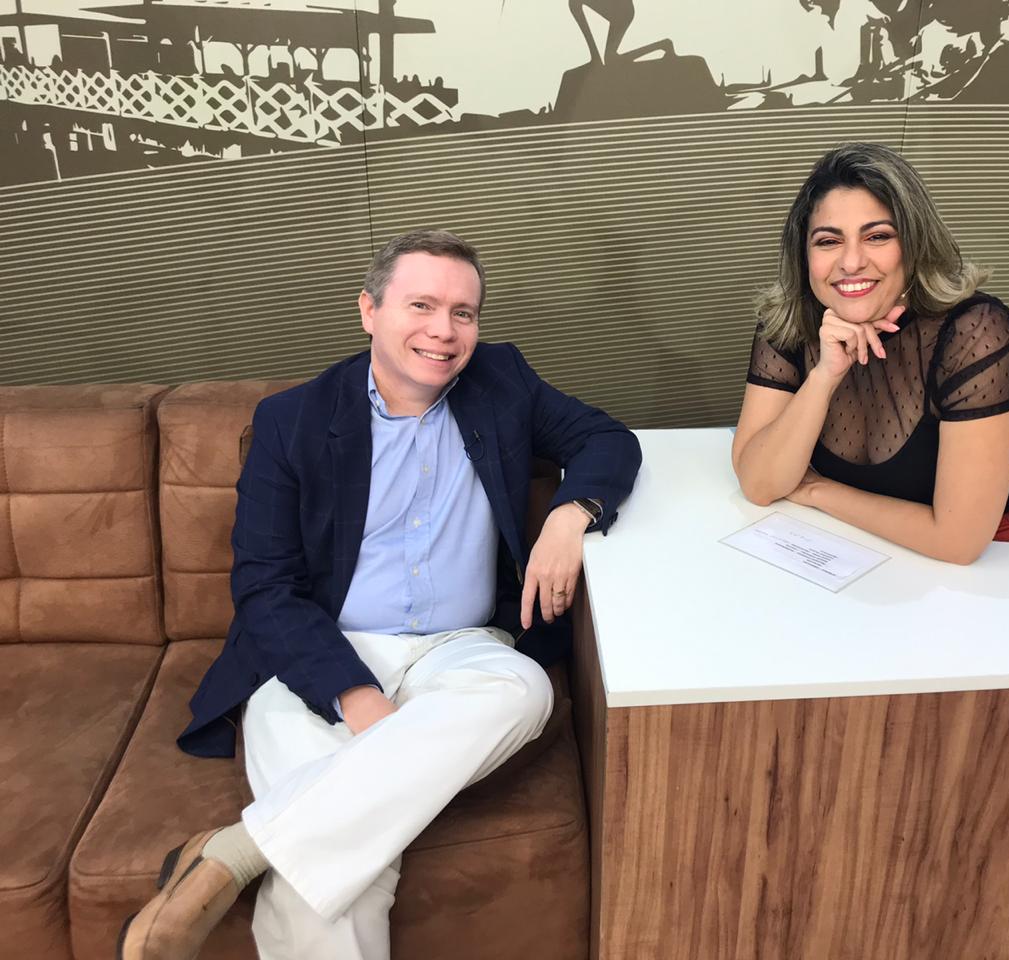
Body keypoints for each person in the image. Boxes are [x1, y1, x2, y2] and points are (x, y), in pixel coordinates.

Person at [119, 229, 642, 960]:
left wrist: (570, 513)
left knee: (524, 692)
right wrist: (353, 693)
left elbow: (610, 441)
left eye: (463, 312)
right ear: (369, 310)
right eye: (421, 305)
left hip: (463, 651)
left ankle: (230, 854)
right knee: (339, 878)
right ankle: (240, 858)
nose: (444, 330)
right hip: (320, 655)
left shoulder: (502, 381)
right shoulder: (293, 420)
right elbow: (265, 588)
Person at [733, 142, 1009, 563]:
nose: (851, 262)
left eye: (877, 236)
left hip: (995, 563)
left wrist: (816, 489)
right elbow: (758, 484)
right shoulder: (790, 319)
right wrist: (824, 376)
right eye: (828, 241)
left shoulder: (975, 332)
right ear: (805, 254)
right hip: (847, 540)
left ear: (914, 243)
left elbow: (958, 543)